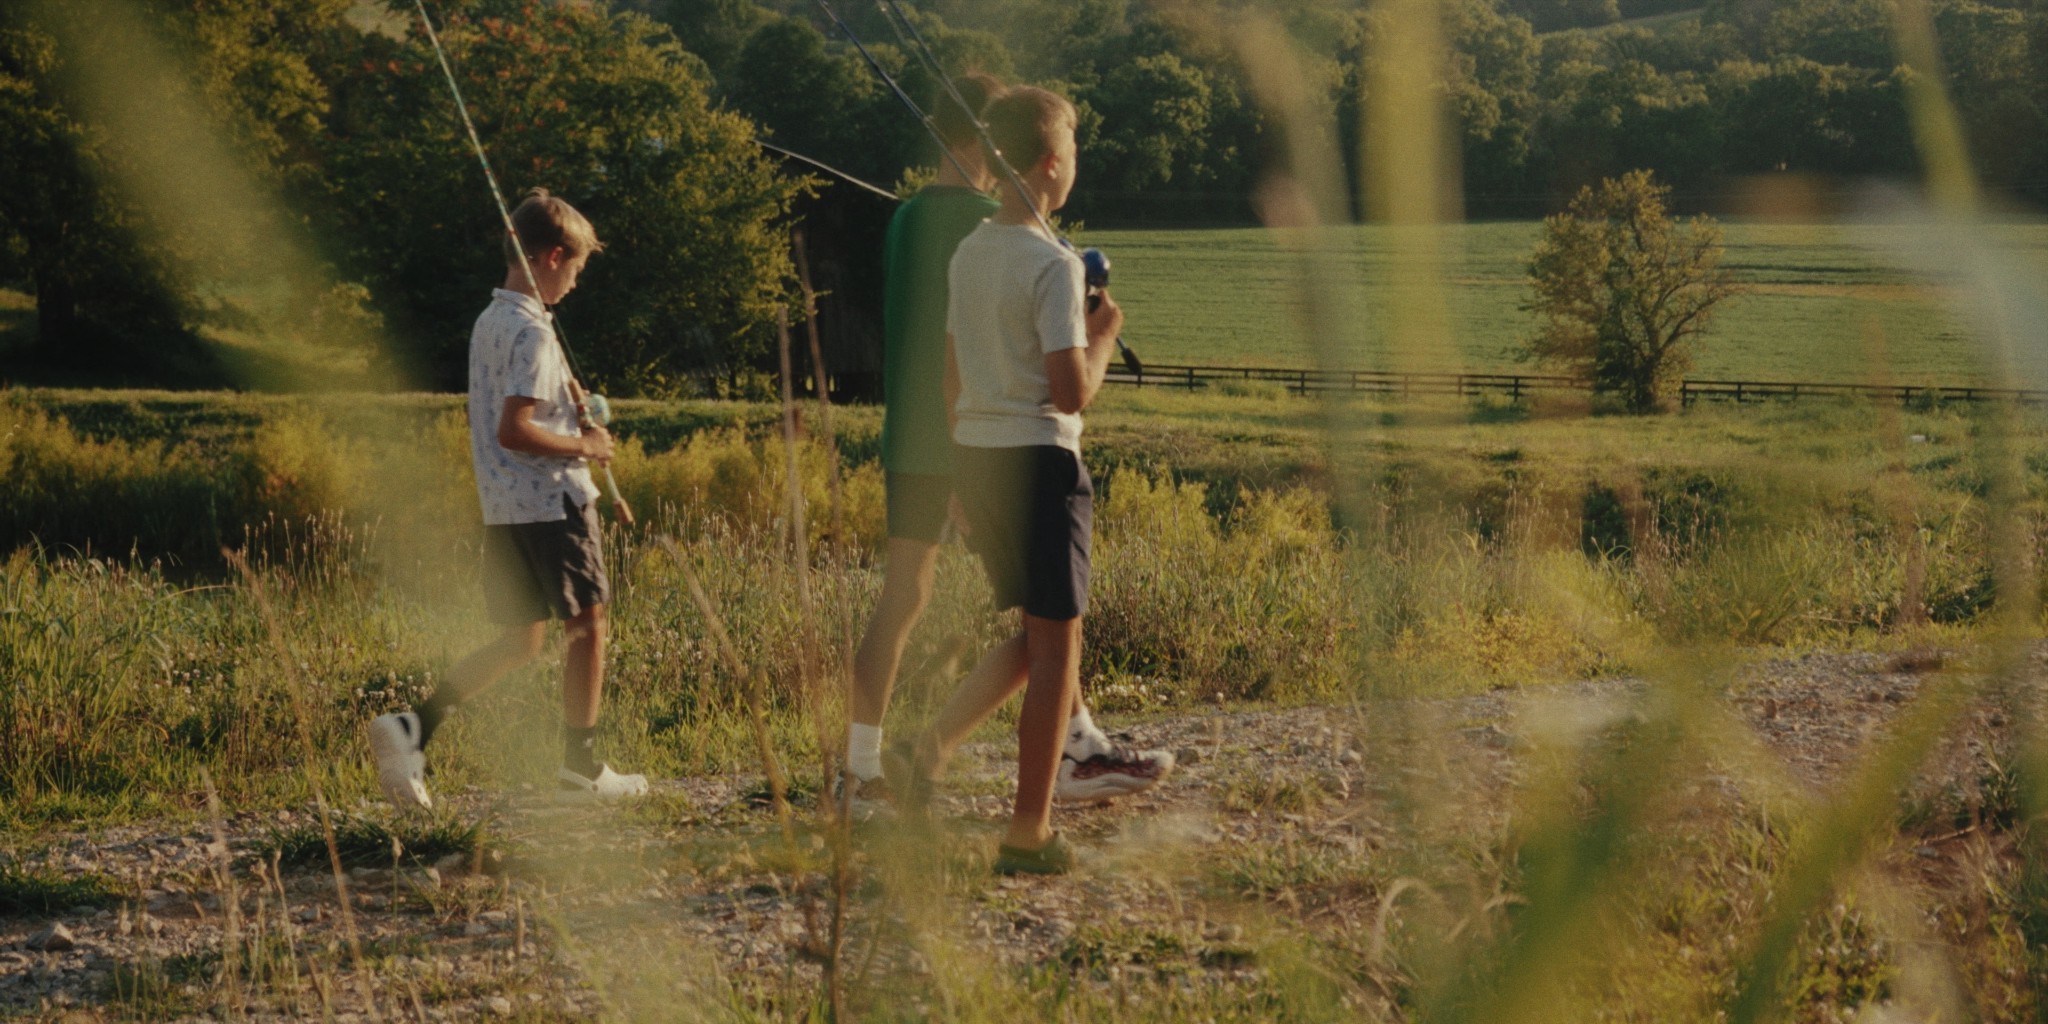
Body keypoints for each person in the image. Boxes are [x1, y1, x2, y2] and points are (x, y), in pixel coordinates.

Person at [840, 74, 1172, 820]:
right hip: (977, 442)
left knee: (928, 602)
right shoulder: (991, 228)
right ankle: (1049, 755)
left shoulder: (911, 220)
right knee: (1045, 618)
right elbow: (1043, 366)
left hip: (922, 435)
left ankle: (865, 765)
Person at [371, 189, 646, 809]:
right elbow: (514, 429)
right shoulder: (534, 334)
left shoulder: (490, 322)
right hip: (551, 503)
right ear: (552, 257)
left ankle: (415, 727)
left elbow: (518, 413)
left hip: (505, 508)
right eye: (575, 271)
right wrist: (587, 448)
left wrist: (572, 416)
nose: (574, 285)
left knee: (522, 641)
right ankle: (582, 769)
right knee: (590, 628)